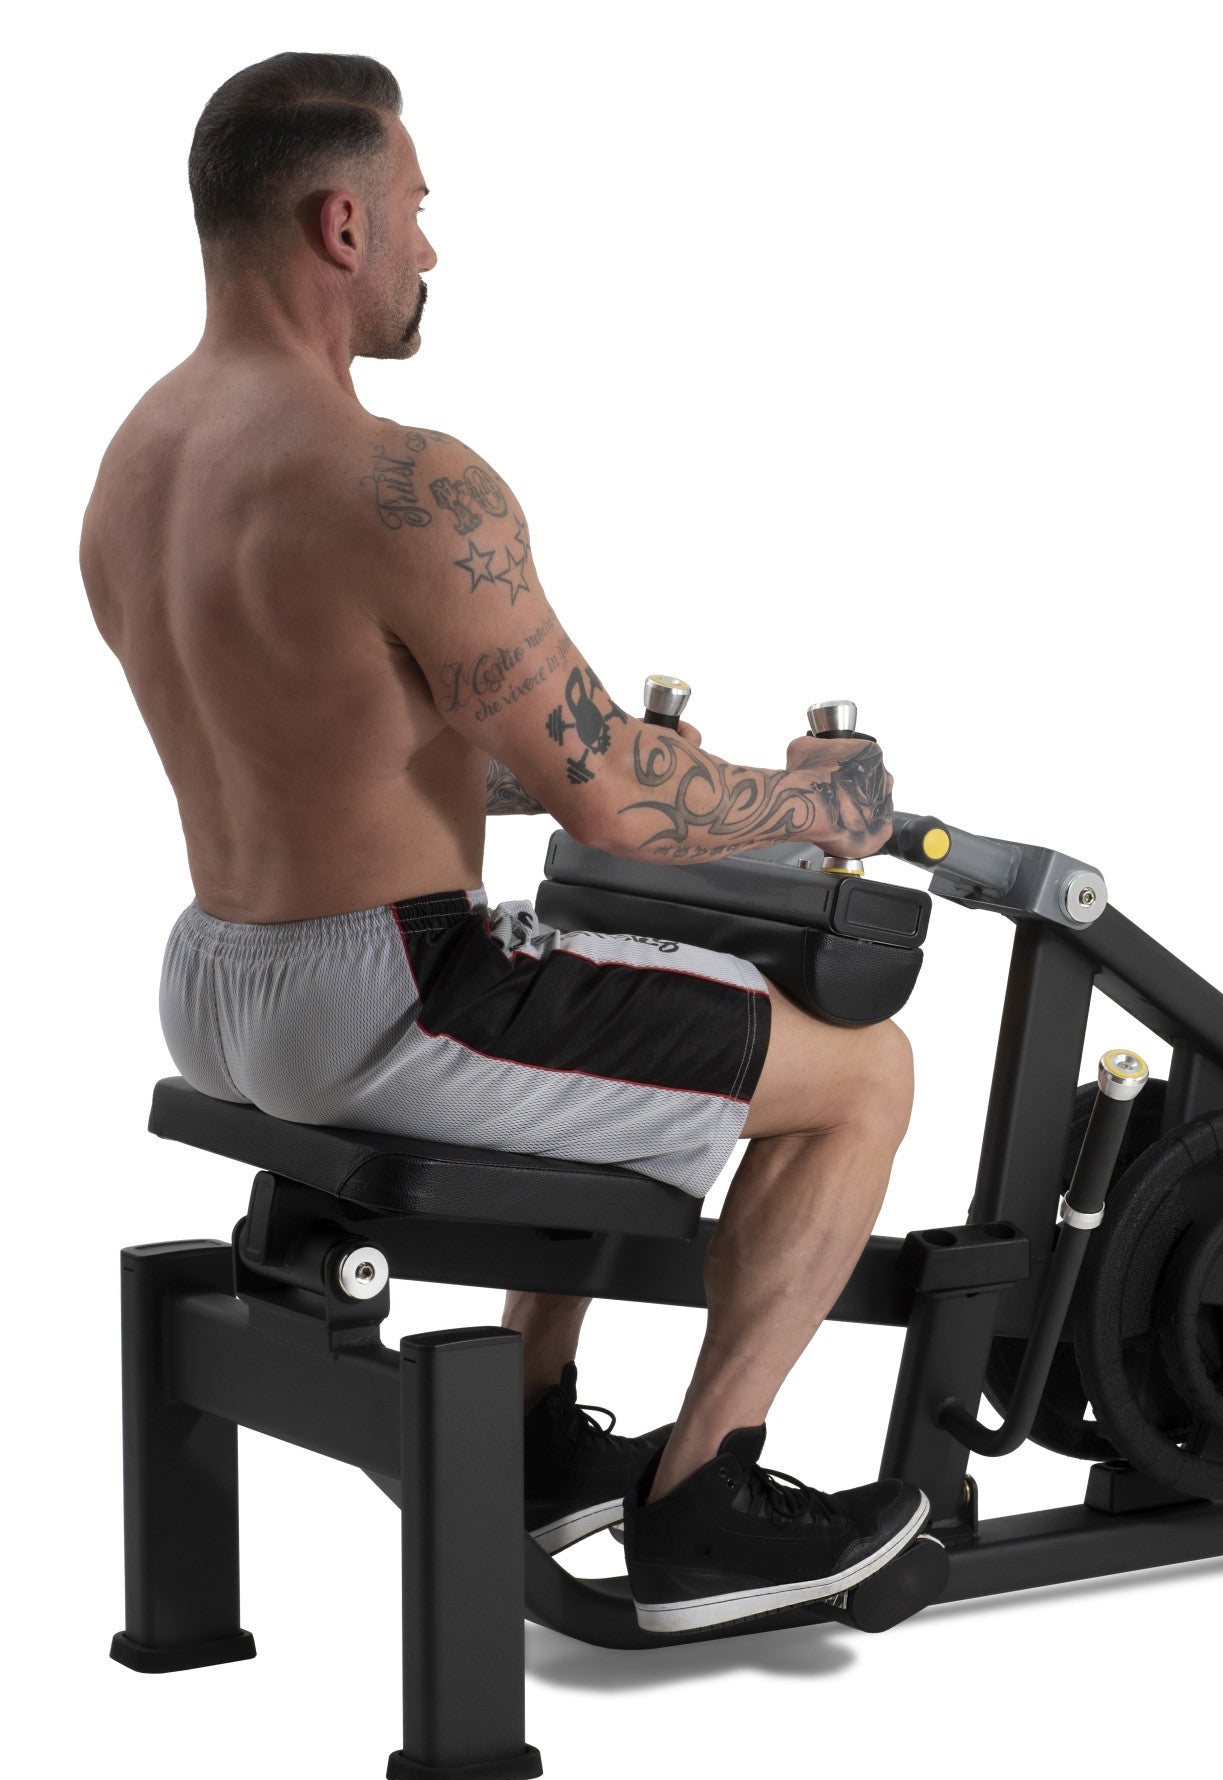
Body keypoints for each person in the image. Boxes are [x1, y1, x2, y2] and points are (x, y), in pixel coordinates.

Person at [80, 52, 927, 1635]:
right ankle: (706, 1502)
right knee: (863, 1076)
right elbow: (618, 803)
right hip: (395, 998)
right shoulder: (405, 484)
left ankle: (534, 1432)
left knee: (623, 995)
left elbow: (346, 734)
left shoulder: (140, 461)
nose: (430, 246)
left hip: (214, 985)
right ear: (341, 224)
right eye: (414, 207)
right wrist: (820, 800)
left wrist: (586, 761)